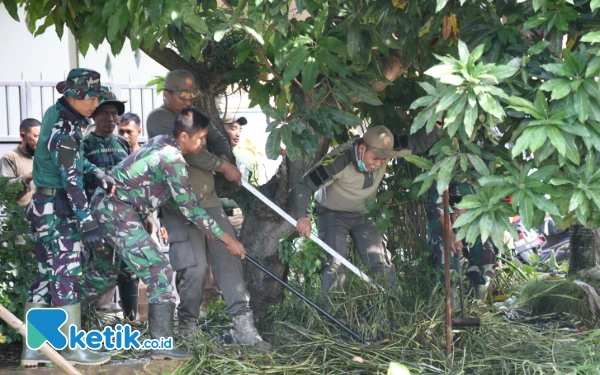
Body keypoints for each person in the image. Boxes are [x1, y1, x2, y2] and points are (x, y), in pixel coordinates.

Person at [87, 108, 246, 360]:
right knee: (158, 270)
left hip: (109, 207)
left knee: (103, 275)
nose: (203, 143)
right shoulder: (172, 159)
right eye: (200, 138)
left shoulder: (161, 141)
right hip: (116, 210)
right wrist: (228, 239)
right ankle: (161, 343)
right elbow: (191, 208)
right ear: (183, 136)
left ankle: (58, 320)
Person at [146, 70, 270, 350]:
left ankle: (243, 326)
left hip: (209, 201)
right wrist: (222, 166)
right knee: (194, 268)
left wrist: (225, 155)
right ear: (166, 95)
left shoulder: (197, 114)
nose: (187, 102)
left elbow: (217, 140)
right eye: (181, 96)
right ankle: (188, 327)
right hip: (178, 207)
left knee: (229, 256)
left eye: (192, 97)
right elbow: (191, 150)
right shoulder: (159, 119)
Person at [21, 68, 113, 367]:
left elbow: (73, 159)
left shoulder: (59, 114)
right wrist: (87, 222)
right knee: (66, 277)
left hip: (45, 205)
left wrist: (96, 171)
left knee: (44, 277)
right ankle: (71, 348)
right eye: (94, 97)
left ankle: (34, 350)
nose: (97, 102)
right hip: (58, 209)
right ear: (78, 96)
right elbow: (70, 178)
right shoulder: (64, 127)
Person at [294, 126, 440, 298]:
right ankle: (332, 317)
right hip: (332, 213)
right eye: (375, 158)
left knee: (380, 262)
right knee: (335, 263)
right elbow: (306, 185)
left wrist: (438, 126)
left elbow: (416, 143)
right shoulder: (339, 160)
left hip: (365, 213)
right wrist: (303, 217)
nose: (379, 163)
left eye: (383, 159)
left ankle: (391, 310)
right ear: (362, 149)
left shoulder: (387, 150)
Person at [82, 92, 140, 321]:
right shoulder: (84, 144)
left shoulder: (123, 144)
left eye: (114, 113)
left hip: (125, 218)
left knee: (129, 269)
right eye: (104, 113)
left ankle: (131, 320)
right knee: (102, 273)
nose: (110, 118)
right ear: (94, 115)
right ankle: (78, 318)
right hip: (98, 220)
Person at [0, 118, 40, 207]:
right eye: (36, 136)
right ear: (22, 136)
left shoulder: (43, 157)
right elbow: (4, 190)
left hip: (44, 218)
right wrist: (28, 177)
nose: (40, 140)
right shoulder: (10, 158)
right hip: (20, 219)